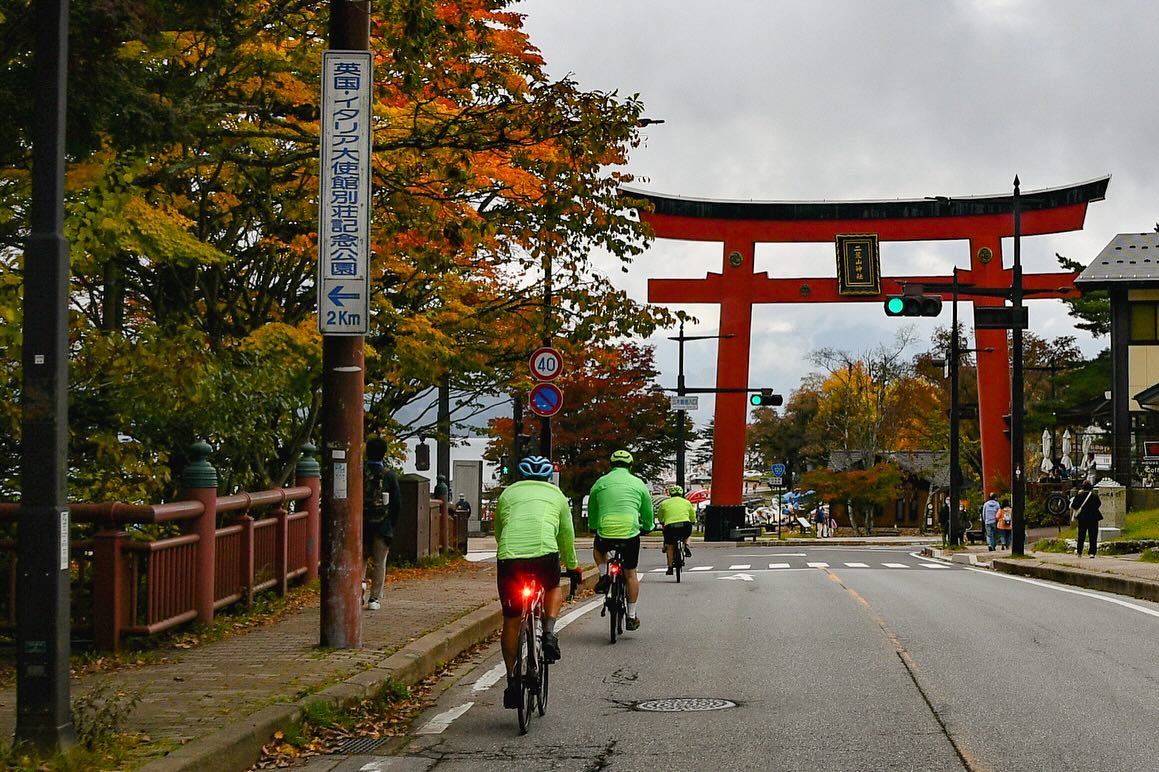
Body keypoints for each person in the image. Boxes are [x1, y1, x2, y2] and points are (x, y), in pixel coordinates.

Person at [493, 455, 579, 709]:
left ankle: (511, 681)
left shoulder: (507, 494)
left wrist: (507, 550)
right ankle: (549, 632)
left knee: (511, 619)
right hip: (544, 554)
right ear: (547, 477)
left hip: (510, 556)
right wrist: (572, 565)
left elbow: (499, 529)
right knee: (552, 587)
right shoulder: (557, 495)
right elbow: (566, 534)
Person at [588, 449, 654, 631]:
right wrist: (648, 527)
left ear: (611, 465)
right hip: (630, 531)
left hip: (606, 530)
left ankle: (603, 575)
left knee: (598, 550)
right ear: (630, 466)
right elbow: (647, 510)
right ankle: (631, 616)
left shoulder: (600, 483)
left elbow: (593, 508)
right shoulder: (638, 484)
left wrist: (594, 526)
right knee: (631, 573)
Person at [363, 437, 401, 611]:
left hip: (361, 525)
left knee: (359, 561)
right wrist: (391, 526)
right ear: (384, 453)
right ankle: (374, 599)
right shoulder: (389, 476)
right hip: (382, 526)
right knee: (379, 563)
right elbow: (396, 504)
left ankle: (358, 591)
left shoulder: (359, 473)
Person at [656, 485, 695, 574]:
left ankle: (670, 567)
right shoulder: (687, 502)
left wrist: (662, 522)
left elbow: (660, 516)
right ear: (681, 493)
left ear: (670, 494)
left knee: (670, 546)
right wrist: (692, 521)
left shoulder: (664, 503)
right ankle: (686, 545)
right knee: (687, 534)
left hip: (670, 526)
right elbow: (692, 516)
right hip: (685, 524)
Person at [1070, 480, 1103, 558]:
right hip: (1093, 517)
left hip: (1082, 518)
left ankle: (1079, 551)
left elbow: (1074, 506)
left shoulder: (1079, 496)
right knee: (1093, 536)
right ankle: (1092, 552)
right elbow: (1099, 504)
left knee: (1081, 535)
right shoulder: (1094, 496)